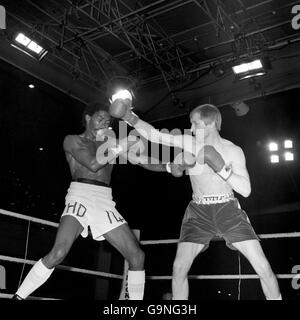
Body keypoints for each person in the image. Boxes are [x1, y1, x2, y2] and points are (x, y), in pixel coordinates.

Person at [109, 97, 282, 300]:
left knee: (263, 267)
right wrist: (129, 117)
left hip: (227, 209)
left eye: (195, 123)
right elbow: (155, 136)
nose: (190, 127)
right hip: (198, 211)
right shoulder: (189, 143)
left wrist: (220, 168)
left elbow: (246, 190)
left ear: (210, 123)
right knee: (179, 267)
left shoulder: (233, 151)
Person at [13, 101, 165, 300]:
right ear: (87, 118)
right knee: (58, 253)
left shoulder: (111, 144)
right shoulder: (72, 140)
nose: (104, 122)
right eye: (100, 118)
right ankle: (17, 297)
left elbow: (142, 160)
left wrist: (171, 166)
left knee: (137, 257)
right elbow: (93, 164)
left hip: (105, 200)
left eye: (108, 120)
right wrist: (121, 146)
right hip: (80, 195)